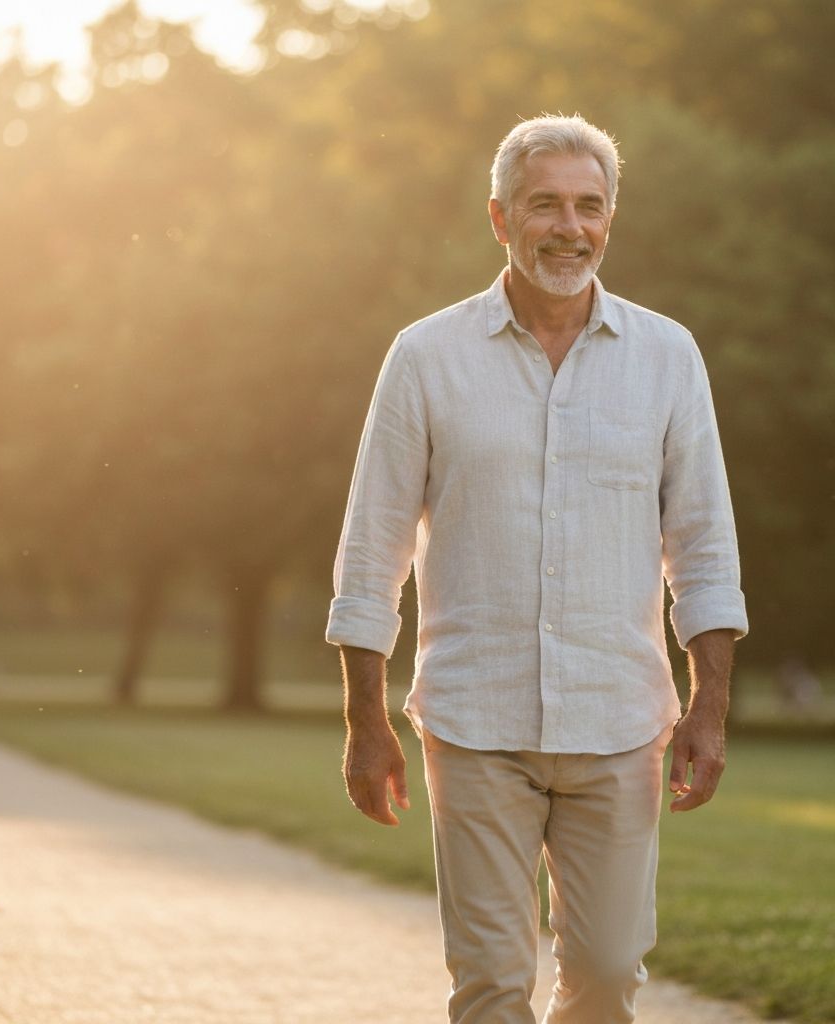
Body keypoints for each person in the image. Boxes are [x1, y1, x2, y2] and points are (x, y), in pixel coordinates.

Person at [325, 113, 749, 1024]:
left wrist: (709, 705)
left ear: (611, 220)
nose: (569, 226)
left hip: (619, 720)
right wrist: (364, 720)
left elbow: (704, 547)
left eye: (588, 206)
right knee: (489, 981)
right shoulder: (425, 357)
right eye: (545, 204)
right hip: (476, 722)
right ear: (500, 218)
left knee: (604, 975)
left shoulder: (668, 357)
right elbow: (372, 551)